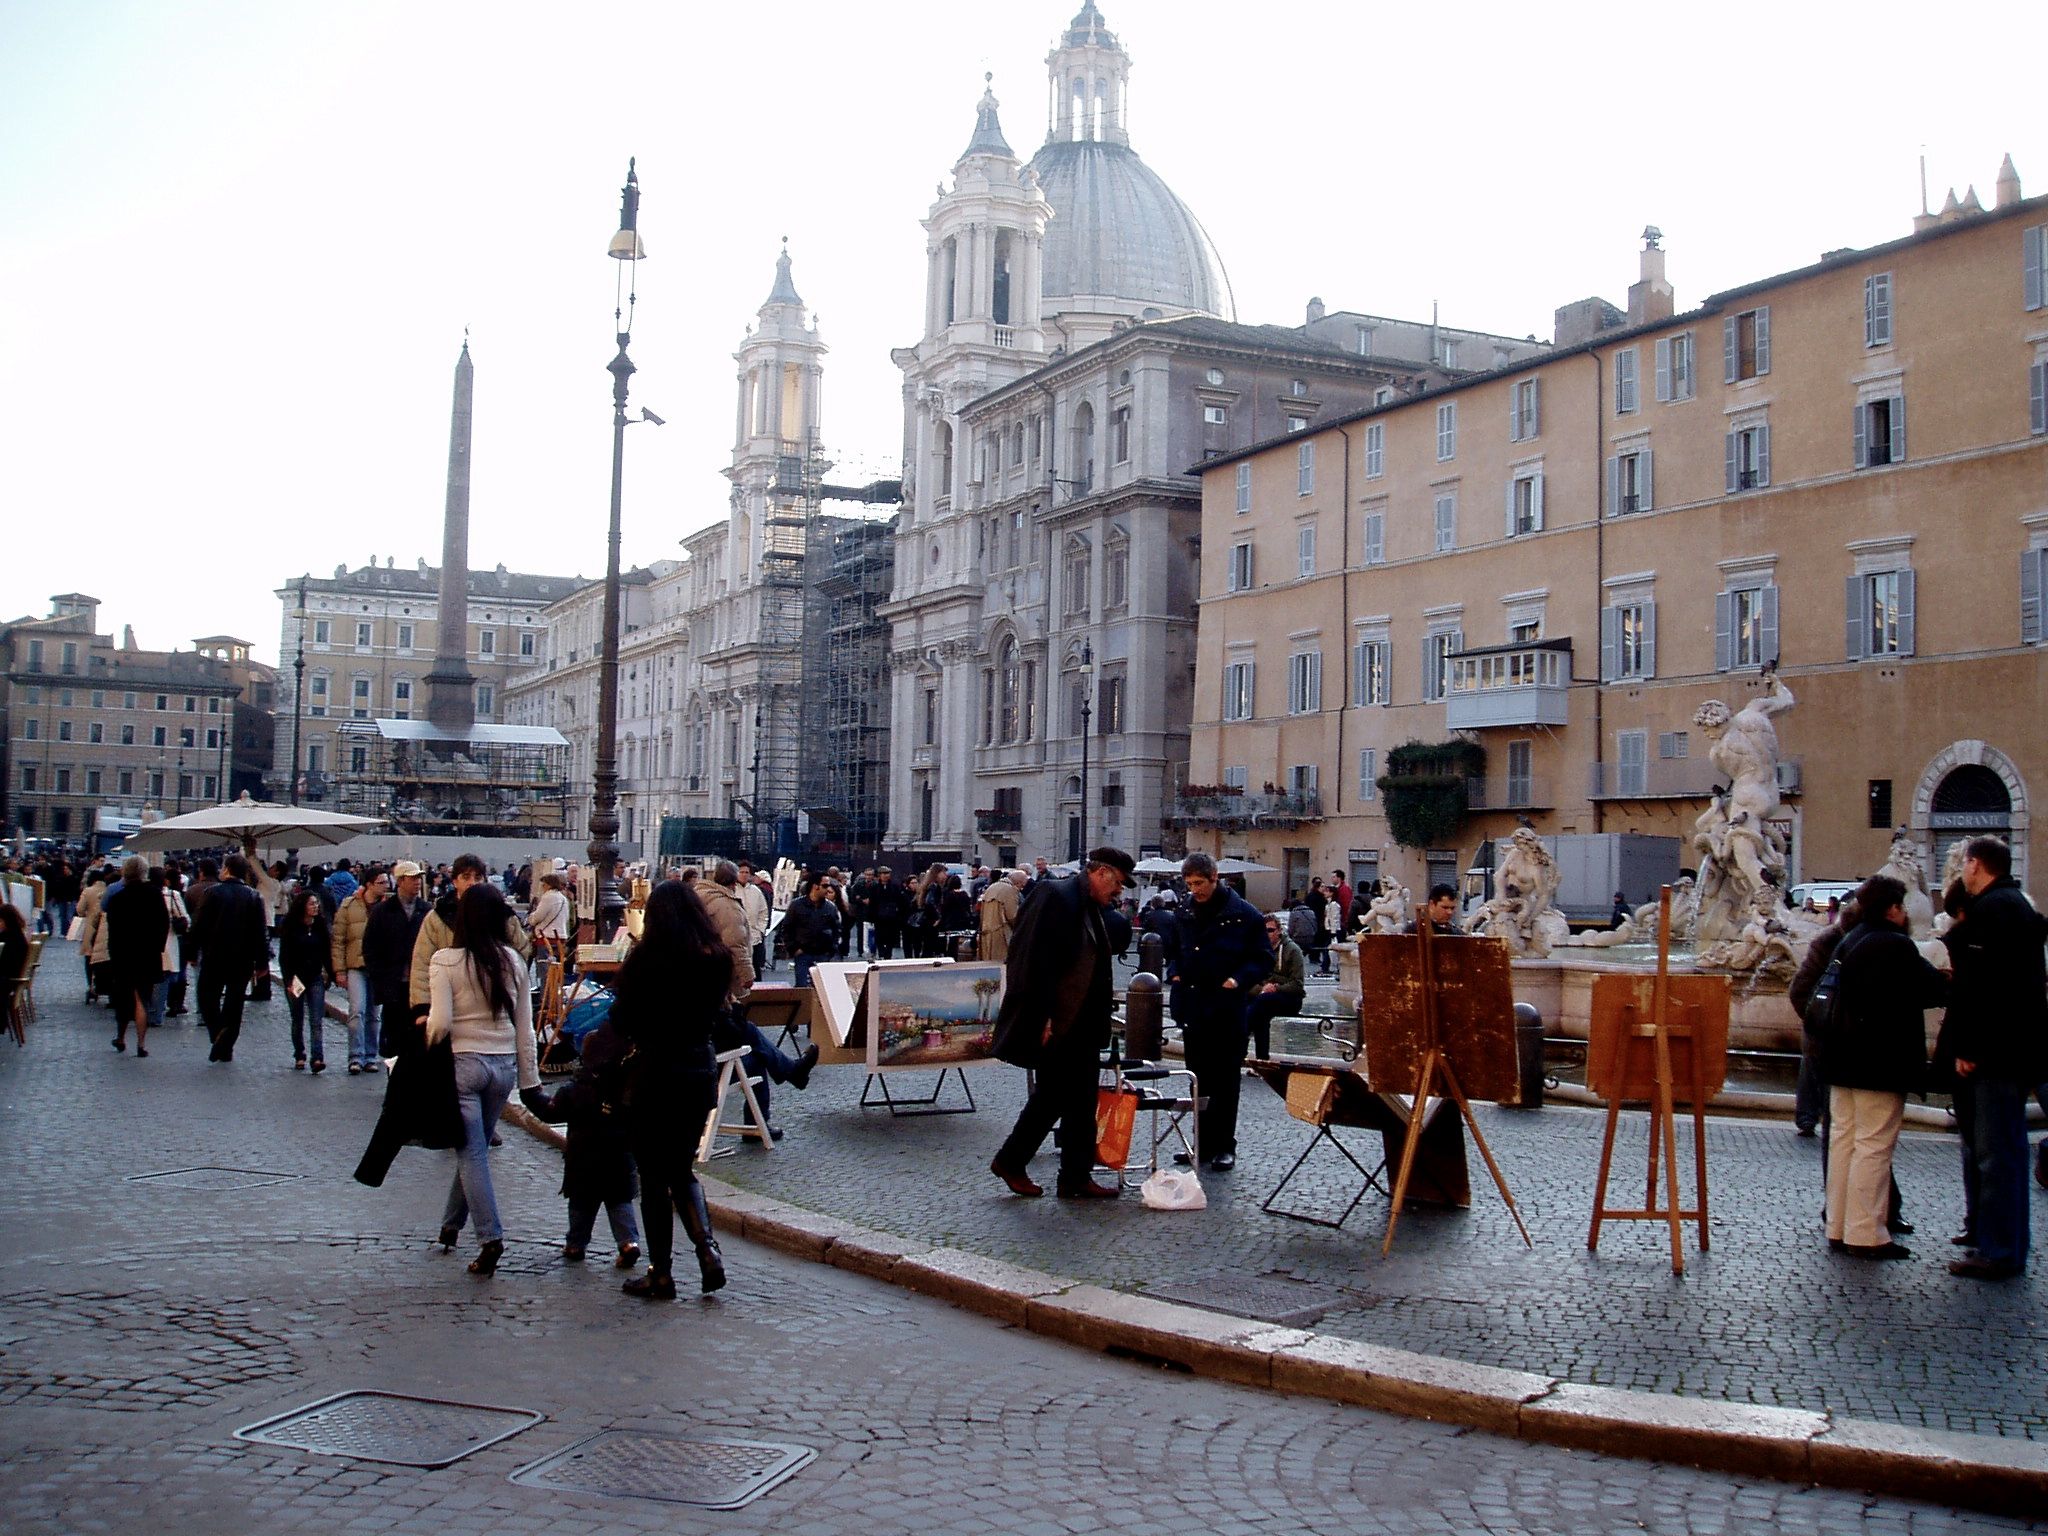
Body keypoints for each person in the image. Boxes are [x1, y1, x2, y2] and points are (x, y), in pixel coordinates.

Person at [599, 880, 735, 1298]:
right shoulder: (716, 959)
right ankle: (707, 1249)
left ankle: (661, 1272)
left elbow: (622, 1020)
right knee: (682, 1168)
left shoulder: (647, 960)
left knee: (654, 1177)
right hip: (697, 1069)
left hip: (655, 1073)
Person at [989, 846, 1136, 1200]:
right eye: (1116, 883)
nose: (1119, 891)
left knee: (1080, 1100)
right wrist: (1041, 1016)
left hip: (1081, 1020)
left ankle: (1074, 1176)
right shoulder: (1054, 895)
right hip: (1058, 1021)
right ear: (1099, 873)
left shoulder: (1090, 905)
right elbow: (1028, 960)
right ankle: (1014, 1161)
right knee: (1054, 1096)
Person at [1936, 836, 2048, 1281]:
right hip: (2017, 1050)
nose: (1962, 871)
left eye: (1965, 863)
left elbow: (1987, 990)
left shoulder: (1992, 911)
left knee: (1996, 1155)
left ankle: (1999, 1250)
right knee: (2009, 1152)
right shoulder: (2016, 906)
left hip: (1996, 1056)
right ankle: (2008, 1245)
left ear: (1976, 865)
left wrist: (1970, 1048)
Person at [1820, 875, 1947, 1260]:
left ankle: (1838, 1225)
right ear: (1892, 909)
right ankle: (1866, 1233)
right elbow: (1932, 989)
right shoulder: (1894, 945)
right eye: (1902, 906)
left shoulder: (1850, 939)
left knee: (1845, 1142)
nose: (1905, 913)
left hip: (1841, 1060)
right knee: (1874, 1147)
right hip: (1878, 1062)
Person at [429, 883, 539, 1278]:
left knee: (471, 1153)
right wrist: (531, 1083)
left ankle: (490, 1236)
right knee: (474, 1150)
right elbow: (526, 1028)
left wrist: (427, 1037)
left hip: (464, 1063)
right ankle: (450, 1226)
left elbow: (440, 1023)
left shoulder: (445, 960)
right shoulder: (513, 960)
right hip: (503, 1066)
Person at [1168, 851, 1273, 1171]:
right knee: (1197, 1080)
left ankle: (1225, 1146)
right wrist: (1174, 969)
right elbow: (1175, 947)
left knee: (1225, 1082)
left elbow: (1263, 958)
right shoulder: (1184, 909)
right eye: (1189, 884)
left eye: (1199, 883)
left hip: (1227, 1009)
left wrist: (1237, 980)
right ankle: (1202, 1144)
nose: (1194, 889)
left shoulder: (1244, 914)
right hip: (1194, 1006)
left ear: (1215, 878)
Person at [522, 1008, 642, 1270]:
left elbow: (550, 1112)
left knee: (581, 1206)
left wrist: (530, 1095)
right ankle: (628, 1243)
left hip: (583, 1161)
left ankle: (576, 1244)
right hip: (619, 1160)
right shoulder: (625, 1091)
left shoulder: (574, 1091)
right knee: (619, 1203)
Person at [407, 853, 532, 1027]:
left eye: (477, 877)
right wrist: (422, 1007)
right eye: (466, 877)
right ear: (454, 881)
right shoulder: (438, 917)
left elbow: (521, 953)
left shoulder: (502, 915)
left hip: (494, 1006)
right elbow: (422, 964)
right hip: (448, 1008)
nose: (472, 882)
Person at [190, 854, 271, 1063]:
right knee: (235, 1002)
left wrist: (191, 952)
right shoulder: (253, 896)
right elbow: (260, 932)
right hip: (242, 958)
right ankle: (226, 1045)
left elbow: (199, 926)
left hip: (214, 955)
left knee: (207, 996)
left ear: (226, 869)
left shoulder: (212, 893)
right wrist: (262, 963)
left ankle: (218, 1032)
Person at [102, 855, 170, 1058]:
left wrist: (113, 954)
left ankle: (121, 1036)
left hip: (123, 954)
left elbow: (112, 930)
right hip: (148, 953)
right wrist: (158, 946)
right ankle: (141, 1043)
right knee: (143, 998)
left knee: (124, 997)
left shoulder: (117, 899)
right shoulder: (155, 895)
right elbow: (163, 923)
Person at [364, 860, 430, 1058]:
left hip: (419, 986)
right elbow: (370, 948)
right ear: (400, 881)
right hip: (393, 985)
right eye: (413, 878)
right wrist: (380, 982)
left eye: (419, 878)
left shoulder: (426, 910)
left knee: (419, 1037)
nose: (418, 882)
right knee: (394, 1037)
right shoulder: (382, 912)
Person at [331, 871, 387, 1074]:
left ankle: (371, 1056)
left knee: (375, 1015)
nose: (385, 886)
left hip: (378, 967)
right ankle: (355, 1056)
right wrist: (339, 970)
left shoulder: (388, 906)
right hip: (356, 965)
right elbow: (338, 940)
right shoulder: (348, 906)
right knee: (357, 1011)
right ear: (370, 885)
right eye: (381, 882)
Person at [278, 887, 334, 1072]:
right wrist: (288, 981)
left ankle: (317, 1058)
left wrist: (331, 974)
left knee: (316, 1020)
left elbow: (327, 953)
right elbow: (284, 956)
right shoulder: (291, 927)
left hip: (315, 978)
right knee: (297, 1017)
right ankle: (299, 1054)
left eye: (317, 903)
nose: (316, 906)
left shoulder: (320, 927)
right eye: (312, 903)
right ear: (302, 906)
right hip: (296, 979)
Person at [1245, 914, 1307, 1061]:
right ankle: (1261, 1058)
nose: (1266, 934)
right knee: (1256, 1010)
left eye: (1270, 930)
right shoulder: (1258, 950)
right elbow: (1250, 979)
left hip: (1289, 998)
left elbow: (1297, 984)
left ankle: (1239, 1041)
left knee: (1261, 1005)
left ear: (1279, 930)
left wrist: (1276, 987)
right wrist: (1262, 988)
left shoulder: (1292, 950)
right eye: (1263, 930)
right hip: (1263, 996)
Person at [779, 877, 842, 991]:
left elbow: (836, 929)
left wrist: (832, 949)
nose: (827, 889)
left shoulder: (830, 907)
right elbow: (786, 928)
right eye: (824, 886)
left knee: (823, 989)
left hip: (823, 953)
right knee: (803, 988)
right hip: (803, 953)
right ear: (815, 886)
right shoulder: (796, 905)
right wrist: (794, 949)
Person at [526, 871, 573, 962]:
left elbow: (538, 916)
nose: (542, 887)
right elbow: (566, 918)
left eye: (543, 885)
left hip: (546, 936)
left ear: (549, 885)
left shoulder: (548, 897)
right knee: (557, 966)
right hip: (560, 936)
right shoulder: (563, 898)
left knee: (545, 967)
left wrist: (530, 918)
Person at [978, 868, 1023, 962]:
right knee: (1001, 965)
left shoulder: (992, 887)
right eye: (1022, 885)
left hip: (986, 932)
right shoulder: (1010, 890)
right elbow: (1013, 916)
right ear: (1018, 883)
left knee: (988, 965)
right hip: (1001, 935)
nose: (1021, 888)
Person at [736, 860, 771, 979]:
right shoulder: (731, 890)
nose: (744, 874)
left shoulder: (757, 892)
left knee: (755, 970)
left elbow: (763, 912)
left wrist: (761, 930)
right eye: (741, 872)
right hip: (737, 938)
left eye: (747, 872)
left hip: (754, 937)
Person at [868, 866, 909, 958]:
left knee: (891, 936)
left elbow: (901, 900)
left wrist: (899, 913)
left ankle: (888, 953)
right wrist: (871, 916)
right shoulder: (874, 887)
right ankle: (881, 952)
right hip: (879, 916)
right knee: (879, 936)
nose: (886, 876)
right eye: (883, 874)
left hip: (892, 916)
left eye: (887, 873)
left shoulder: (895, 886)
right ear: (879, 875)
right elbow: (872, 902)